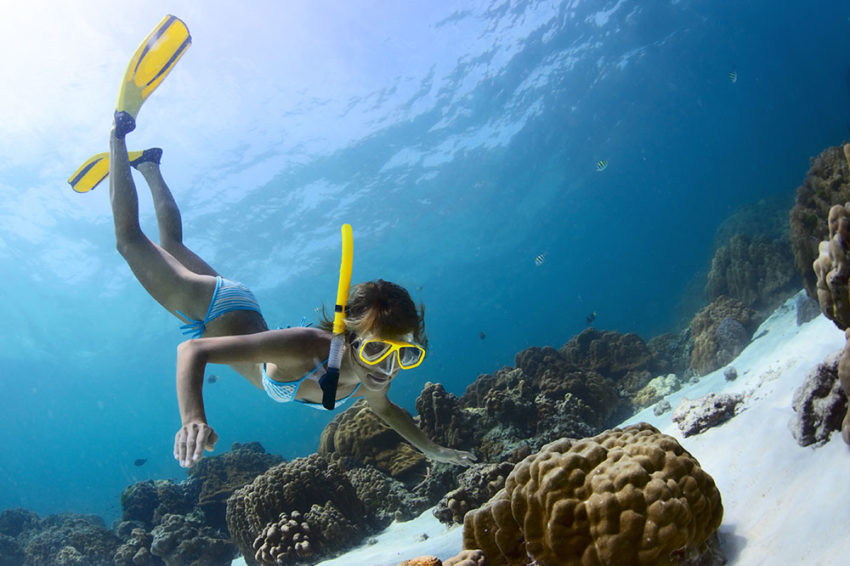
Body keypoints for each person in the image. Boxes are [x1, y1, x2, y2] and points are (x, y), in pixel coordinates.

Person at [106, 122, 476, 469]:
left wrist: (434, 450)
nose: (388, 368)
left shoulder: (374, 373)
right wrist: (193, 420)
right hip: (212, 307)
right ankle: (118, 132)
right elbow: (193, 351)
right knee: (129, 240)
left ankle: (150, 165)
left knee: (171, 245)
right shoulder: (306, 347)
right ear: (347, 338)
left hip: (241, 310)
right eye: (376, 350)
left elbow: (386, 409)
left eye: (405, 354)